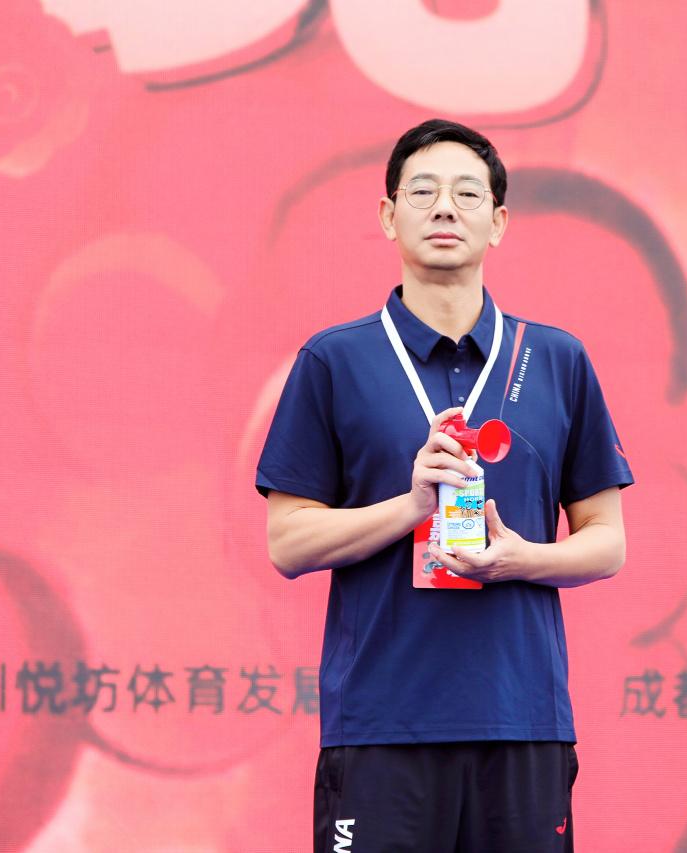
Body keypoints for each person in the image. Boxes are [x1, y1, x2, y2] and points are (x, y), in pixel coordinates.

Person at [256, 118, 633, 852]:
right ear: (388, 215)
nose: (444, 209)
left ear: (499, 222)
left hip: (522, 720)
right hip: (380, 725)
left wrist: (522, 559)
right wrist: (411, 507)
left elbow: (608, 542)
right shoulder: (335, 360)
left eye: (468, 194)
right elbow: (287, 542)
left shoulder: (555, 359)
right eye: (422, 191)